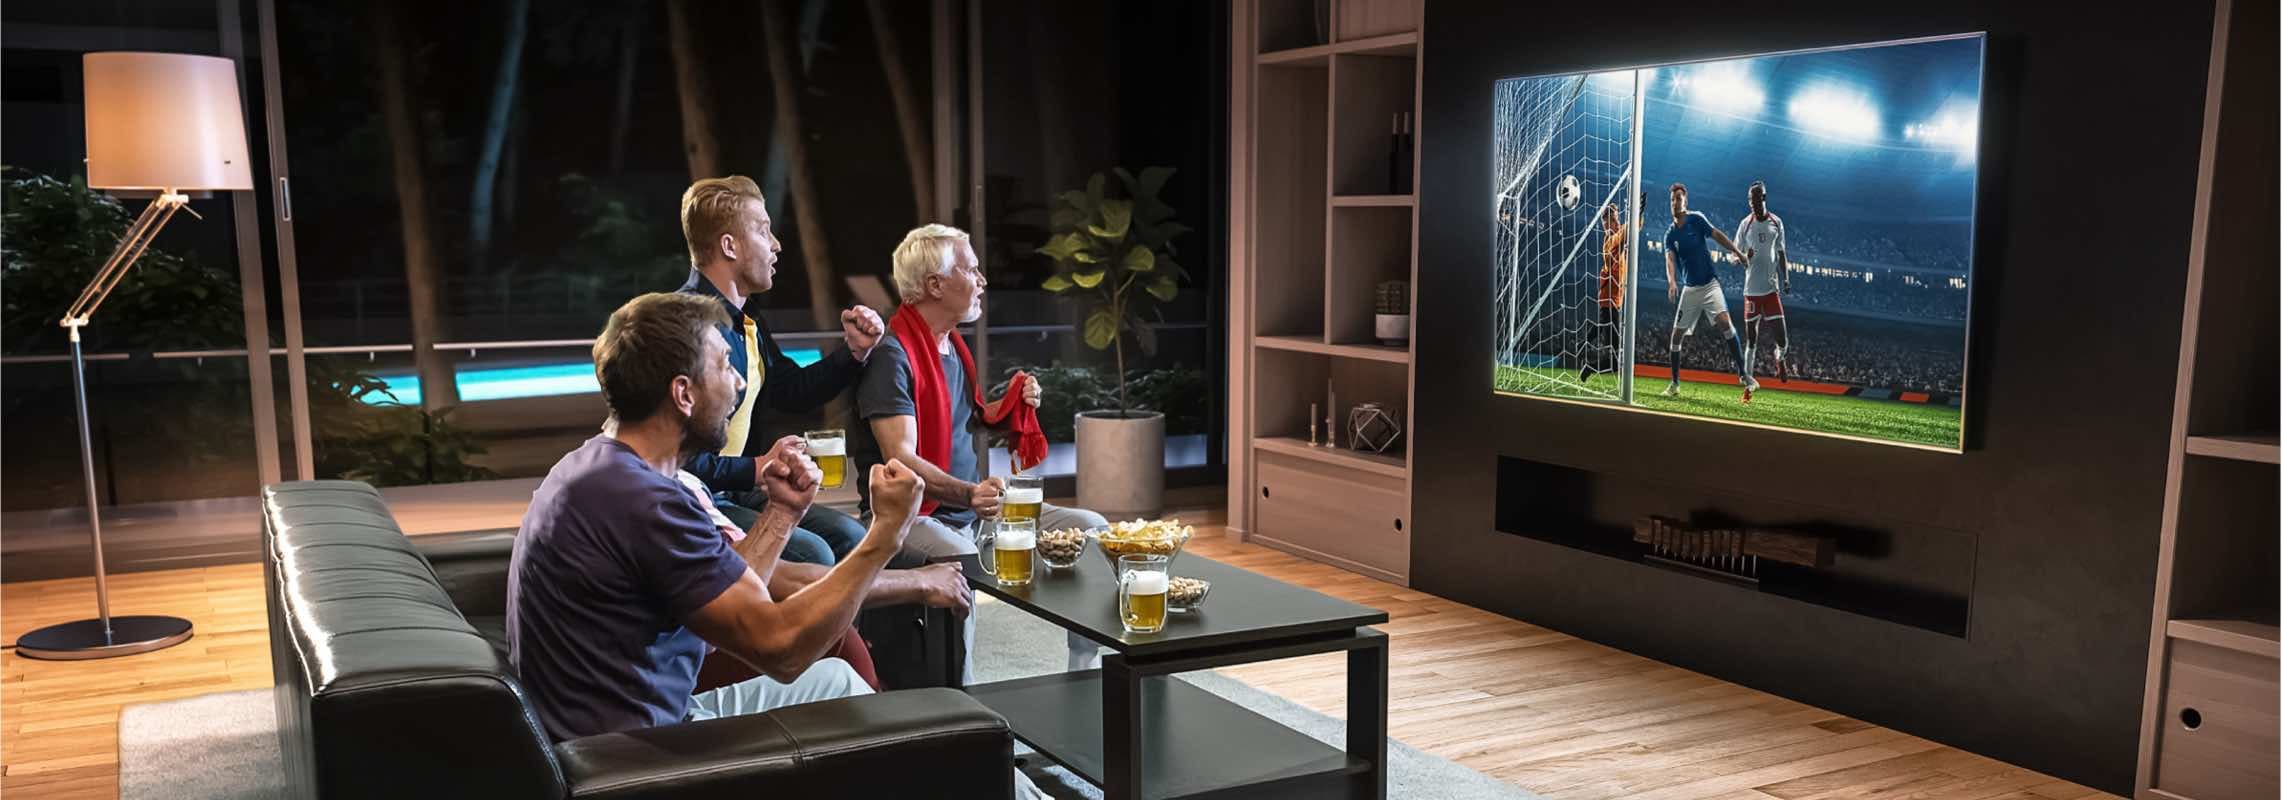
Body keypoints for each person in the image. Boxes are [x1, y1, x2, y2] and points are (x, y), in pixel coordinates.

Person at [506, 291, 925, 742]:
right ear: (683, 393)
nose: (740, 384)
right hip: (634, 757)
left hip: (630, 726)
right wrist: (886, 533)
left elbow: (733, 592)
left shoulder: (599, 468)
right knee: (896, 736)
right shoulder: (644, 502)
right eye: (726, 366)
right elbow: (780, 651)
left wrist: (782, 512)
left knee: (842, 684)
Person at [854, 224, 1111, 676]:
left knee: (1091, 528)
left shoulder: (950, 347)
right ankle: (968, 707)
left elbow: (967, 421)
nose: (981, 281)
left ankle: (1083, 670)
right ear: (935, 284)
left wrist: (1013, 404)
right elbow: (901, 461)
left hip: (971, 512)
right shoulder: (893, 355)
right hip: (913, 517)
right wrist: (970, 495)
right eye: (971, 270)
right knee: (957, 556)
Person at [673, 175, 885, 567]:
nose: (776, 245)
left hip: (734, 487)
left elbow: (790, 389)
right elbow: (673, 457)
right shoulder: (684, 325)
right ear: (729, 246)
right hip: (691, 495)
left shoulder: (746, 318)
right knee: (815, 553)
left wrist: (853, 353)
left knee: (852, 535)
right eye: (763, 230)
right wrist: (757, 466)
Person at [1660, 182, 1758, 402]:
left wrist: (1739, 252)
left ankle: (1743, 374)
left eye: (1679, 198)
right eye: (1672, 199)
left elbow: (1717, 235)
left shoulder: (1696, 219)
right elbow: (1669, 259)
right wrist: (1672, 281)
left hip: (1710, 284)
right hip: (1690, 289)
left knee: (1725, 323)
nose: (1675, 202)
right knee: (1676, 337)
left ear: (1686, 201)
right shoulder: (1669, 235)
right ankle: (1675, 384)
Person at [1732, 180, 1792, 382]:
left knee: (1783, 340)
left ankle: (1780, 357)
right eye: (1750, 198)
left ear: (1763, 198)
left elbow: (1782, 253)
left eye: (1756, 198)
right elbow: (1733, 256)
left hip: (1770, 291)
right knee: (1751, 339)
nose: (1752, 202)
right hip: (1751, 292)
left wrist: (1786, 279)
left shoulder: (1776, 222)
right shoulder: (1744, 224)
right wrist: (1743, 256)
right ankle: (1747, 379)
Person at [1579, 201, 1628, 382]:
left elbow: (1633, 229)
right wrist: (1635, 215)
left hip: (1613, 300)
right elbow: (1624, 235)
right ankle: (1589, 366)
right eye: (1613, 220)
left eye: (1618, 219)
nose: (1617, 223)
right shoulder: (1609, 240)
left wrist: (1639, 214)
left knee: (1615, 356)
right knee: (1616, 362)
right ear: (1606, 223)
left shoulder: (1618, 234)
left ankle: (1584, 343)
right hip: (1609, 300)